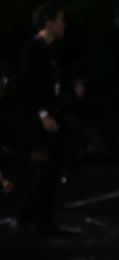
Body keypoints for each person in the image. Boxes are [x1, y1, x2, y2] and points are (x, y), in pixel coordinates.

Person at [15, 2, 66, 234]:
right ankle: (25, 215)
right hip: (35, 119)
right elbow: (26, 87)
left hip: (48, 115)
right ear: (49, 22)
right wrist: (42, 114)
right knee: (44, 166)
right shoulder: (33, 49)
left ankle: (44, 220)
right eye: (60, 20)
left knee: (52, 167)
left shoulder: (48, 50)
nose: (63, 25)